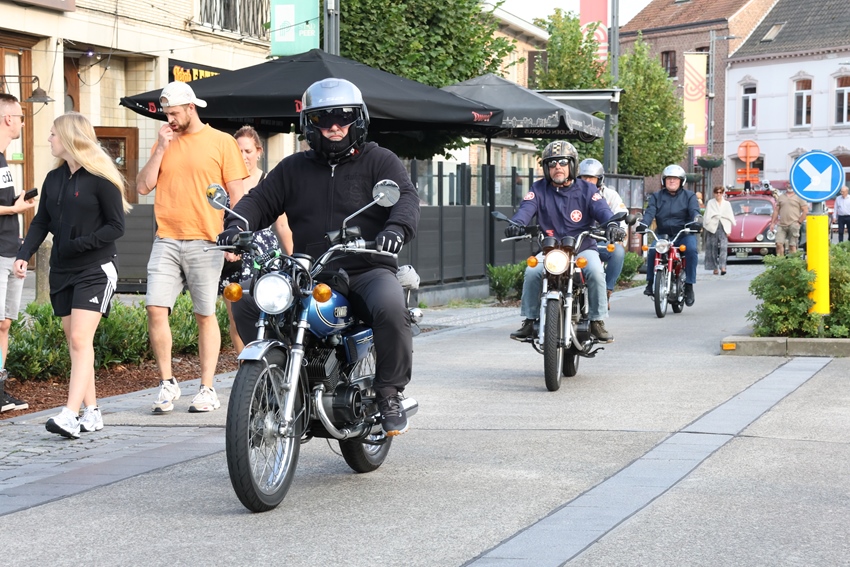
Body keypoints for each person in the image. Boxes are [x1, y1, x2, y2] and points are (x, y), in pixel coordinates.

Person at [217, 78, 420, 436]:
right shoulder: (293, 168)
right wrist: (236, 224)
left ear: (358, 119)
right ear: (309, 124)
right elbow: (259, 200)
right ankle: (273, 376)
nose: (335, 126)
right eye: (324, 118)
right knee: (247, 299)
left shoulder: (380, 160)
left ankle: (389, 393)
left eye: (343, 117)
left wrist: (395, 230)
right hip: (309, 270)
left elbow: (405, 198)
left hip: (366, 267)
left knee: (391, 307)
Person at [13, 112, 130, 438]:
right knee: (77, 344)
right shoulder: (54, 179)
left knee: (80, 339)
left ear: (69, 137)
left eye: (53, 134)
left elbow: (116, 227)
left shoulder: (101, 178)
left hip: (96, 268)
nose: (49, 138)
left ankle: (69, 414)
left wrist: (80, 244)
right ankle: (92, 412)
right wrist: (24, 254)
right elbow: (41, 222)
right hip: (62, 270)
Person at [136, 81, 247, 414]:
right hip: (167, 237)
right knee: (155, 308)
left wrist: (235, 237)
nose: (169, 119)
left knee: (204, 314)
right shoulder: (165, 141)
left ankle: (207, 388)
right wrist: (160, 148)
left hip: (206, 239)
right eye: (166, 114)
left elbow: (238, 195)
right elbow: (142, 187)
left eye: (174, 113)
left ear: (191, 108)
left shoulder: (221, 142)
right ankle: (167, 382)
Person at [507, 142, 624, 343]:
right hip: (551, 250)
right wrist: (517, 224)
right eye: (552, 163)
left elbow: (602, 210)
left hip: (582, 248)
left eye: (562, 162)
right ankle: (530, 319)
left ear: (572, 165)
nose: (557, 167)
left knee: (596, 272)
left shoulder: (588, 189)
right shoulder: (539, 188)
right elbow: (526, 208)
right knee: (532, 271)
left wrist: (612, 224)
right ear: (546, 168)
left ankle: (597, 321)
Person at [220, 125, 293, 354]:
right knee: (235, 317)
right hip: (232, 254)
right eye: (239, 151)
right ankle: (245, 363)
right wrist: (227, 247)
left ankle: (272, 359)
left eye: (248, 151)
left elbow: (282, 225)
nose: (243, 156)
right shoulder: (224, 183)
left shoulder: (268, 181)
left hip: (263, 254)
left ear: (259, 152)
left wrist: (294, 258)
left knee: (270, 313)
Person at [0, 94, 36, 413]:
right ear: (8, 119)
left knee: (5, 324)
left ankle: (0, 389)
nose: (23, 123)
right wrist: (14, 209)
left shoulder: (4, 159)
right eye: (21, 117)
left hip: (11, 251)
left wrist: (16, 205)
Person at [641, 164, 700, 306]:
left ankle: (689, 285)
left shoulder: (689, 196)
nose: (672, 181)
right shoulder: (656, 196)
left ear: (681, 181)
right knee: (652, 250)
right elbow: (650, 212)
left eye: (675, 178)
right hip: (663, 235)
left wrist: (696, 221)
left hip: (684, 234)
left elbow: (694, 211)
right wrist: (643, 224)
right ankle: (651, 282)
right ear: (664, 180)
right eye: (668, 178)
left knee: (691, 250)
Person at [577, 158, 628, 310]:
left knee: (617, 252)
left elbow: (621, 214)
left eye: (591, 178)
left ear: (599, 179)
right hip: (574, 241)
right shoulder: (570, 195)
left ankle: (606, 291)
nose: (587, 181)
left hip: (600, 240)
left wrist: (618, 231)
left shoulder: (610, 195)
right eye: (584, 177)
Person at [703, 186, 736, 275]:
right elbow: (707, 215)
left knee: (723, 247)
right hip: (713, 226)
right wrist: (706, 226)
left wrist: (728, 230)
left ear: (722, 193)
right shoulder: (710, 203)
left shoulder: (727, 204)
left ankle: (723, 266)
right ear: (714, 193)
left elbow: (729, 217)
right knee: (712, 248)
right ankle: (714, 267)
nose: (718, 194)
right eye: (717, 192)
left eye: (720, 192)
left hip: (723, 226)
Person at [769, 185, 807, 256]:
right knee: (779, 244)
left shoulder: (799, 197)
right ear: (786, 185)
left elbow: (805, 210)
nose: (790, 186)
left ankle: (793, 261)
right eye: (788, 184)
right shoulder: (781, 197)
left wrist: (799, 222)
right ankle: (780, 260)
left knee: (792, 245)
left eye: (791, 184)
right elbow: (776, 210)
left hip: (794, 224)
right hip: (781, 224)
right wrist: (772, 223)